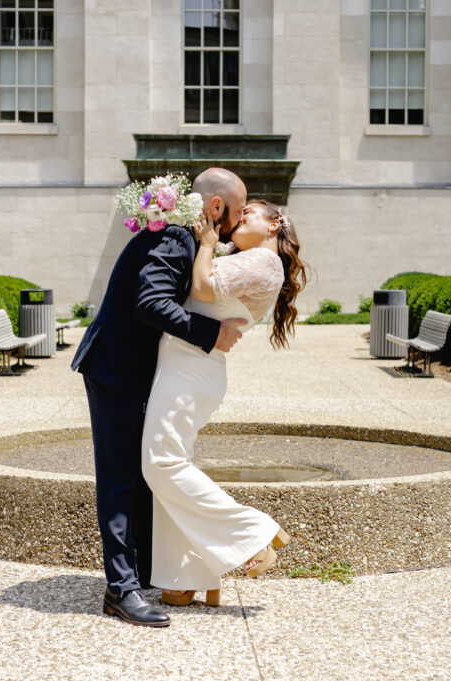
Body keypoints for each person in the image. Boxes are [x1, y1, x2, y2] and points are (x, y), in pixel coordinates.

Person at [71, 168, 250, 628]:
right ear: (214, 208)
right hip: (115, 372)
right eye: (233, 215)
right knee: (120, 478)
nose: (233, 227)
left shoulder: (185, 239)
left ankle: (144, 574)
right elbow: (150, 303)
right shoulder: (174, 238)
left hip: (134, 373)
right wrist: (213, 333)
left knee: (143, 473)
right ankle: (121, 590)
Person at [141, 198, 308, 608]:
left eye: (250, 212)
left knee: (160, 463)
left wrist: (207, 243)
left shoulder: (265, 263)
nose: (241, 217)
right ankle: (184, 578)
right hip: (186, 364)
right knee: (172, 464)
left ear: (275, 224)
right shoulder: (252, 260)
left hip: (191, 368)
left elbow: (203, 288)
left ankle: (252, 533)